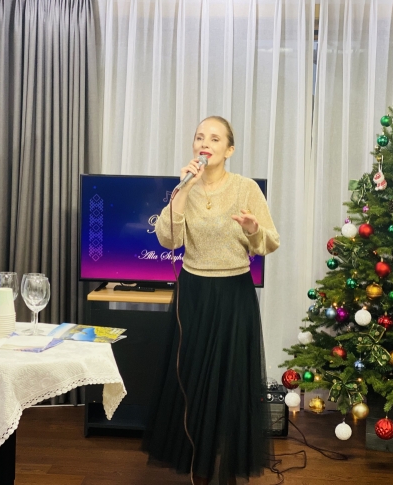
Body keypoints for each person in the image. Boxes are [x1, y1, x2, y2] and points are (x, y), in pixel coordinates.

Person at [142, 116, 280, 485]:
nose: (206, 143)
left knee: (230, 386)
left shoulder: (246, 188)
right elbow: (168, 240)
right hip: (194, 296)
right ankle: (198, 467)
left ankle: (225, 471)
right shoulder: (184, 188)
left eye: (215, 138)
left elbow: (269, 242)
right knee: (193, 383)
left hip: (234, 296)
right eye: (200, 137)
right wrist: (182, 191)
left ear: (228, 150)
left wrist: (253, 229)